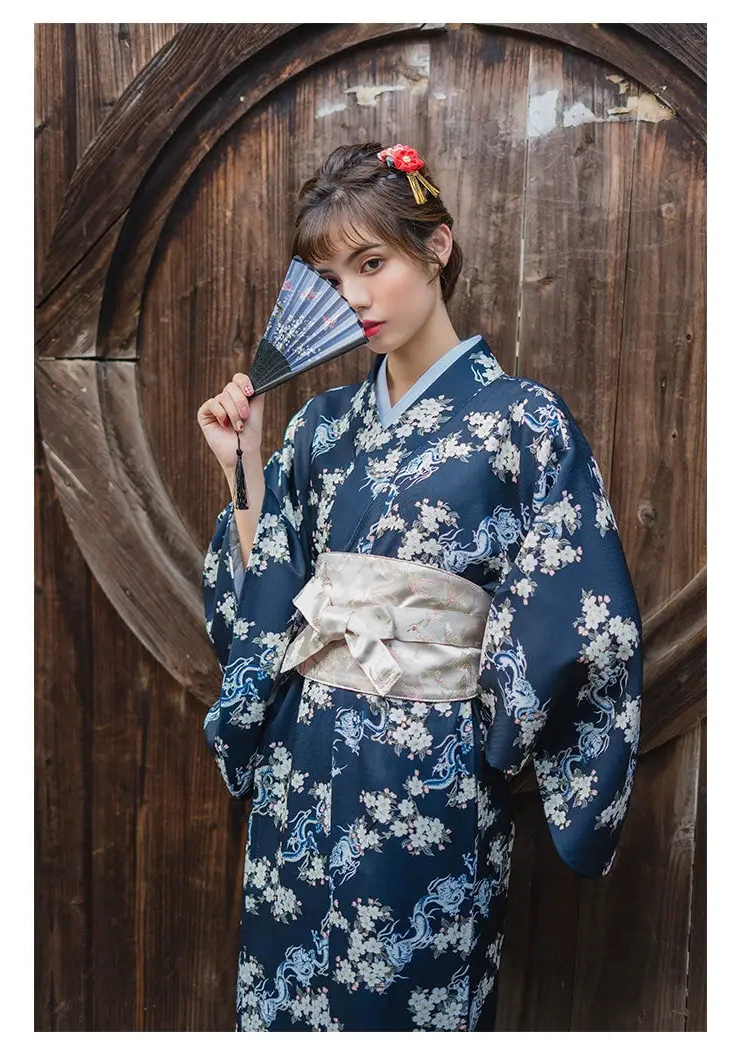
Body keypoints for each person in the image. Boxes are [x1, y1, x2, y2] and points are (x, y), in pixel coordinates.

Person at [195, 143, 643, 1032]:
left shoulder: (523, 420)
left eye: (374, 263)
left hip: (428, 772)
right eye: (332, 277)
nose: (355, 298)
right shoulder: (323, 429)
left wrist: (492, 737)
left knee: (408, 999)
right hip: (304, 755)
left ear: (435, 248)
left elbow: (583, 620)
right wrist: (244, 468)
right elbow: (268, 598)